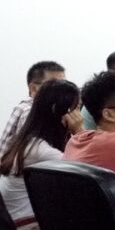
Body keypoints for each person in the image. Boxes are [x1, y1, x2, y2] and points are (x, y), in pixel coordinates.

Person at [0, 79, 83, 221]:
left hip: (16, 221)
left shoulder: (28, 140)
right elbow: (85, 171)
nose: (79, 116)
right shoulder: (40, 150)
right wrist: (79, 130)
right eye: (76, 108)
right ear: (58, 111)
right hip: (24, 227)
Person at [0, 61, 67, 156]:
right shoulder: (28, 111)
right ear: (34, 88)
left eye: (64, 84)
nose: (63, 90)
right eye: (55, 85)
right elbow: (38, 155)